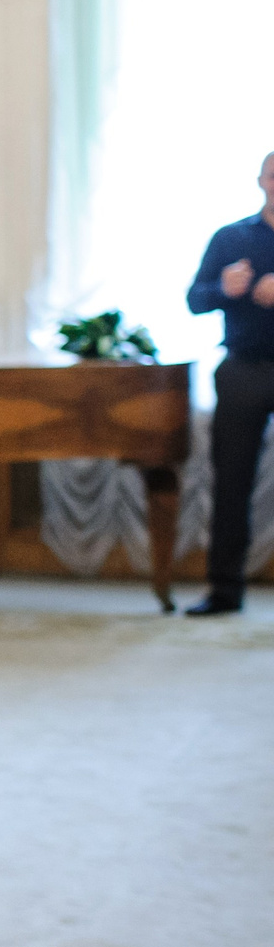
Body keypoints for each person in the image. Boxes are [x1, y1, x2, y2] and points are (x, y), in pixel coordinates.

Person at [184, 151, 274, 616]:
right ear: (261, 180)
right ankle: (223, 591)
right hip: (244, 370)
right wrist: (226, 289)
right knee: (231, 481)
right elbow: (195, 299)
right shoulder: (232, 237)